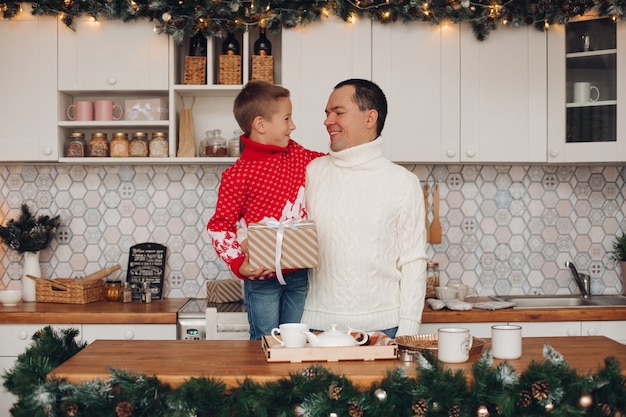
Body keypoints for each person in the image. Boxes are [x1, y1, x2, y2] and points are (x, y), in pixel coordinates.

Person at [301, 78, 427, 338]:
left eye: (338, 112)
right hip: (316, 328)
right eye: (326, 113)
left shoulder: (403, 182)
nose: (327, 121)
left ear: (370, 118)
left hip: (384, 329)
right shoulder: (312, 173)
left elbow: (413, 262)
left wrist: (407, 332)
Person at [206, 80, 324, 340]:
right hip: (261, 278)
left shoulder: (296, 153)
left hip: (299, 274)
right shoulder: (237, 175)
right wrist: (239, 265)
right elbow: (219, 226)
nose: (292, 126)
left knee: (298, 341)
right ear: (260, 124)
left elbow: (329, 163)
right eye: (286, 118)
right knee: (264, 341)